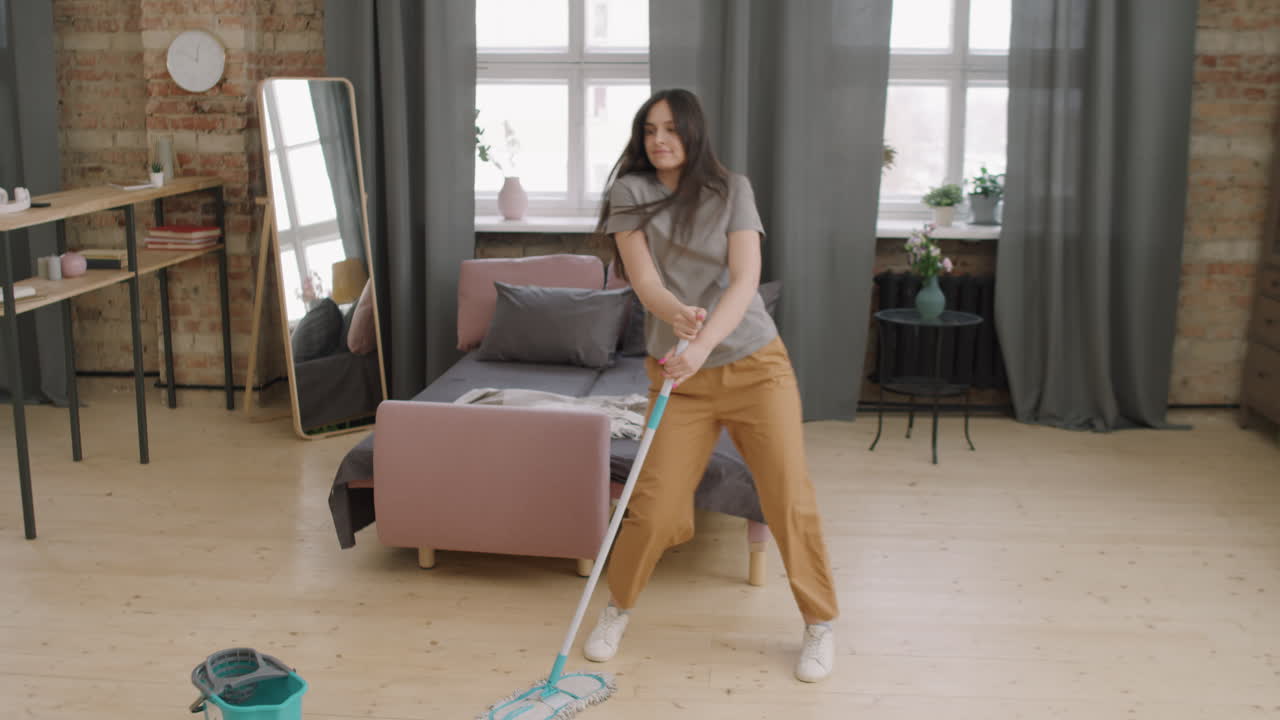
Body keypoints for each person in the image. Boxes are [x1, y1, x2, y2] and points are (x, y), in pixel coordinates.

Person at [587, 88, 840, 683]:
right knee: (650, 507)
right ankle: (617, 609)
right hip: (677, 375)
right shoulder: (630, 191)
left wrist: (700, 344)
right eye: (649, 129)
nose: (659, 140)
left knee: (787, 497)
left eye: (671, 129)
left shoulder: (732, 189)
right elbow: (643, 278)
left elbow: (746, 277)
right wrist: (676, 315)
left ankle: (820, 623)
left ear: (694, 133)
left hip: (754, 365)